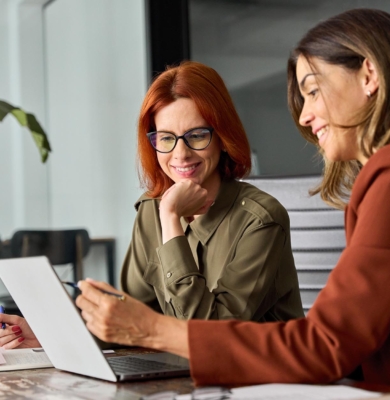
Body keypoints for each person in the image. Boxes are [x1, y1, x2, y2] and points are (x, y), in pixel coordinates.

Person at [5, 8, 390, 399]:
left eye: (311, 89)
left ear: (369, 74)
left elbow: (323, 345)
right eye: (165, 139)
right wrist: (53, 330)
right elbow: (134, 312)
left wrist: (153, 329)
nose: (305, 115)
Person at [0, 61, 304, 347]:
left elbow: (208, 335)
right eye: (166, 138)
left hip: (257, 381)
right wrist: (50, 334)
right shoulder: (150, 209)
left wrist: (171, 220)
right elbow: (130, 317)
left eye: (197, 135)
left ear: (222, 137)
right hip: (176, 376)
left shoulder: (260, 219)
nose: (180, 154)